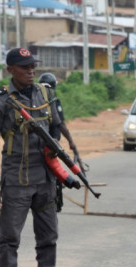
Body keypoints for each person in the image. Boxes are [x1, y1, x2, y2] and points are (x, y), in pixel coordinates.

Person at [0, 48, 70, 267]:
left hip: (45, 180)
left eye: (32, 66)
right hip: (16, 180)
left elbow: (56, 128)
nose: (30, 70)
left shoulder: (45, 94)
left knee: (49, 238)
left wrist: (56, 157)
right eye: (24, 67)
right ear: (10, 70)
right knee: (9, 240)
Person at [38, 72, 86, 212]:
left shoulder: (36, 98)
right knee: (55, 171)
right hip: (51, 145)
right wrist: (71, 142)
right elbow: (61, 124)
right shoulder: (52, 99)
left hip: (45, 143)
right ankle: (55, 199)